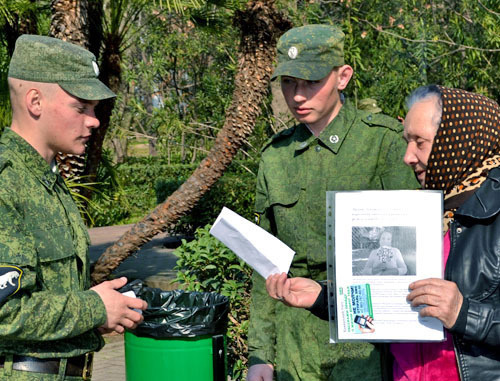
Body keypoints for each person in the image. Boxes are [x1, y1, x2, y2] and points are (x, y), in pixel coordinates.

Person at [266, 84, 500, 380]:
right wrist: (324, 298)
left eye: (420, 142)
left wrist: (464, 313)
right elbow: (393, 301)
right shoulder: (428, 208)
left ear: (458, 141)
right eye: (407, 142)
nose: (408, 157)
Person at [247, 24, 418, 381]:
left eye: (311, 82)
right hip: (295, 347)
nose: (297, 96)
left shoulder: (383, 145)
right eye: (289, 82)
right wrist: (260, 354)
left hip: (365, 343)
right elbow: (264, 262)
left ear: (343, 77)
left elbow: (415, 252)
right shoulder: (275, 158)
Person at [0, 35, 147, 380]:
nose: (94, 120)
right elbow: (5, 312)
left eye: (94, 109)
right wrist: (95, 308)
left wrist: (113, 306)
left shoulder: (46, 180)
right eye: (81, 107)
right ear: (35, 101)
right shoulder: (7, 182)